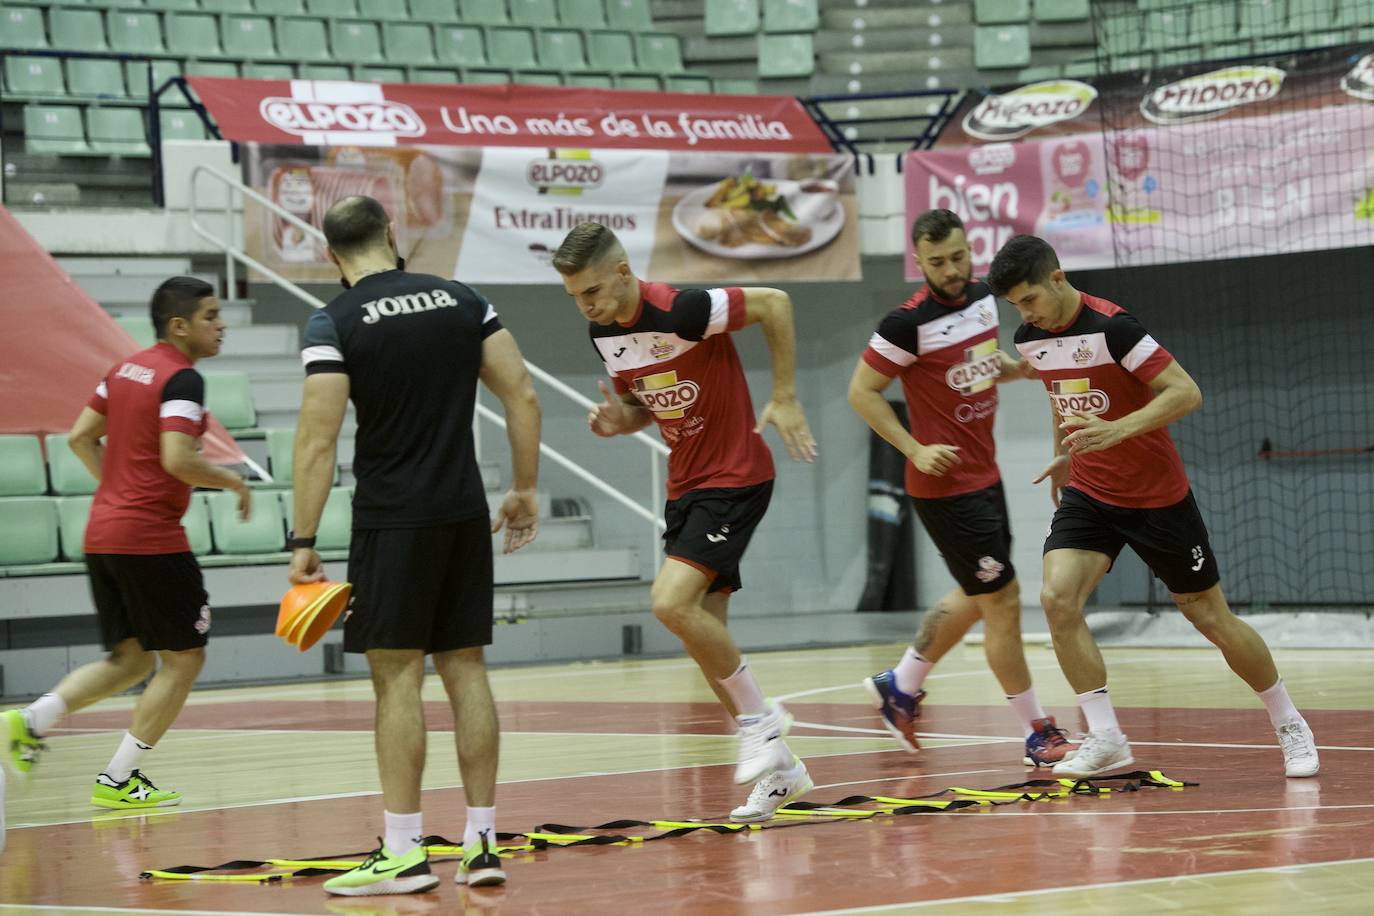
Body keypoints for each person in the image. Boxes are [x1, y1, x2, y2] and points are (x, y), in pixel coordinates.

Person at [986, 234, 1319, 779]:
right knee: (1056, 598)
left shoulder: (1116, 327)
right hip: (1091, 493)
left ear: (1057, 279)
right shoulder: (1031, 338)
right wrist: (1064, 455)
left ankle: (1288, 720)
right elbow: (1058, 390)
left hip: (1157, 497)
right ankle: (1107, 737)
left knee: (1208, 616)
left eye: (1029, 300)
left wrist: (1115, 430)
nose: (1024, 314)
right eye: (1015, 307)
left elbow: (1185, 392)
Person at [289, 196, 541, 896]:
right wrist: (523, 487)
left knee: (397, 677)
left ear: (330, 254)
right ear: (392, 236)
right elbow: (521, 394)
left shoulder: (331, 320)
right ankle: (483, 844)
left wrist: (303, 538)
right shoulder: (464, 300)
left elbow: (317, 438)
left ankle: (402, 852)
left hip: (392, 520)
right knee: (467, 669)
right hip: (462, 511)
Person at [552, 223, 818, 823]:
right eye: (574, 296)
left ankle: (764, 724)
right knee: (706, 643)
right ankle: (783, 772)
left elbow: (776, 303)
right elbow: (644, 403)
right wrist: (620, 421)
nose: (584, 305)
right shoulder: (605, 333)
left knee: (670, 604)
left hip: (737, 475)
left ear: (622, 272)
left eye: (591, 290)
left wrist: (786, 393)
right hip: (687, 487)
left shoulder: (686, 309)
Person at [2, 277, 250, 810]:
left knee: (132, 660)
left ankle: (27, 722)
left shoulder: (123, 369)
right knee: (184, 661)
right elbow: (178, 460)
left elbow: (78, 437)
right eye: (210, 315)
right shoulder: (182, 380)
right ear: (179, 326)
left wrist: (117, 490)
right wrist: (234, 481)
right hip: (150, 540)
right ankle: (117, 779)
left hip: (104, 532)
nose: (221, 324)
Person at [848, 210, 1074, 768]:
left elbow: (968, 369)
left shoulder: (980, 297)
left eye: (957, 258)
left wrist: (1013, 370)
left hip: (985, 471)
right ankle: (1037, 730)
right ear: (918, 262)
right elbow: (862, 393)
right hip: (943, 485)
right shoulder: (905, 323)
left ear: (969, 249)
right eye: (937, 263)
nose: (951, 271)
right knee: (1002, 603)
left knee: (980, 595)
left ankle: (901, 686)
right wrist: (915, 448)